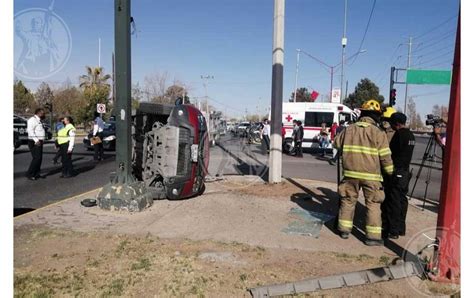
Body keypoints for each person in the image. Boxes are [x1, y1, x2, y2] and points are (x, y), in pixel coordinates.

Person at [333, 99, 394, 246]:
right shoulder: (378, 133)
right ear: (376, 116)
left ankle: (344, 231)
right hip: (371, 176)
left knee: (347, 201)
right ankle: (372, 238)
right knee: (373, 204)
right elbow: (385, 156)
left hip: (350, 174)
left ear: (363, 113)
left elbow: (336, 143)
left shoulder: (349, 129)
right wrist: (390, 171)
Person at [381, 112, 415, 239]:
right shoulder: (411, 135)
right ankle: (401, 228)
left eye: (391, 123)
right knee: (402, 200)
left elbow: (391, 152)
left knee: (393, 201)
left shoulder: (399, 135)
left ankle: (392, 230)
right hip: (405, 172)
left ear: (396, 123)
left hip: (397, 172)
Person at [26, 108, 46, 180]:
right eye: (43, 113)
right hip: (34, 141)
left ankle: (37, 173)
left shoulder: (39, 120)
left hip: (39, 141)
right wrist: (36, 140)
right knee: (36, 158)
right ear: (38, 113)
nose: (44, 114)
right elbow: (30, 131)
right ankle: (30, 174)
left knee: (39, 158)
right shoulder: (32, 120)